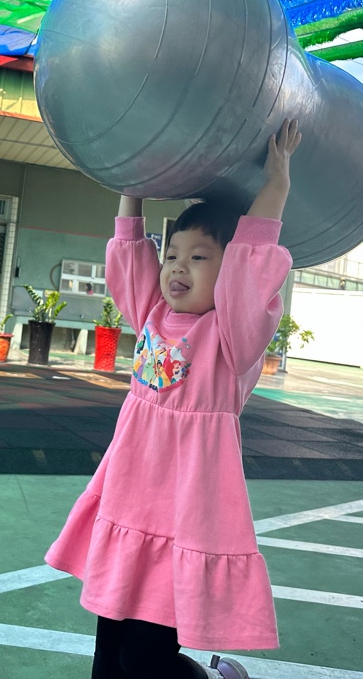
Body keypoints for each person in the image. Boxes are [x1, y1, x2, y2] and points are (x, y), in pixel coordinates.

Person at [45, 119, 302, 679]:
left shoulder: (231, 338)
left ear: (229, 273)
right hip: (128, 506)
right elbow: (128, 254)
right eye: (172, 256)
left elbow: (252, 267)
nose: (178, 267)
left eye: (200, 258)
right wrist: (131, 182)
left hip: (186, 518)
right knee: (107, 662)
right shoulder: (152, 316)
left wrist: (276, 184)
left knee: (144, 660)